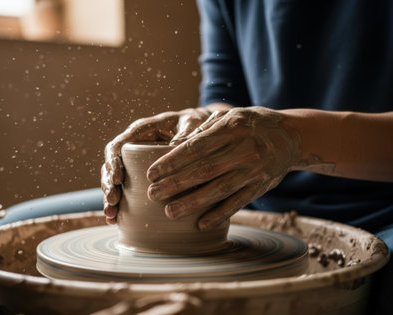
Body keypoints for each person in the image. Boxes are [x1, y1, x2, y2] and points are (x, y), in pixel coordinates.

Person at [101, 1, 393, 314]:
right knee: (47, 216)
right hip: (247, 196)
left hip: (379, 210)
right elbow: (224, 94)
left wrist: (292, 139)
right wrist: (205, 126)